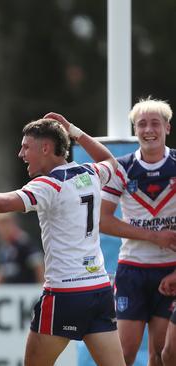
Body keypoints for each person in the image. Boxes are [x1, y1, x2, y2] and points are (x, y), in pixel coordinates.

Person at [0, 114, 125, 366]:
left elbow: (4, 202)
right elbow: (110, 161)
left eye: (26, 147)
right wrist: (74, 130)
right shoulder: (90, 172)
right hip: (98, 289)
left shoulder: (49, 184)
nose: (21, 154)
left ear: (45, 148)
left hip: (65, 293)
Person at [99, 97, 176, 366]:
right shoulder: (122, 168)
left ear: (167, 127)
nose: (148, 130)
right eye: (141, 124)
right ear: (135, 130)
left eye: (155, 123)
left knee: (162, 353)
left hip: (170, 270)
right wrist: (155, 236)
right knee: (124, 353)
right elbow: (102, 221)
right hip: (132, 268)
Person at [0, 213, 44, 285]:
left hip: (26, 293)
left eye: (5, 222)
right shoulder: (4, 248)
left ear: (14, 222)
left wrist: (41, 290)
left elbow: (39, 265)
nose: (2, 227)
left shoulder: (24, 243)